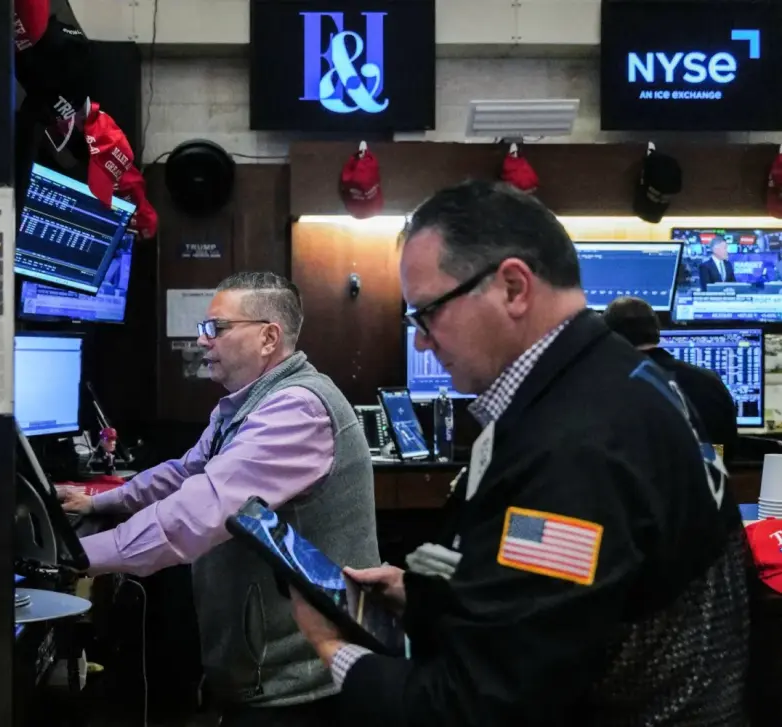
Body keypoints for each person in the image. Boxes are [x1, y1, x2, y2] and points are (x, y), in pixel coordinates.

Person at [290, 181, 749, 725]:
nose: (421, 342)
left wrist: (333, 650)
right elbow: (574, 602)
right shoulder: (624, 377)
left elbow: (480, 704)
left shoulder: (574, 446)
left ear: (513, 287)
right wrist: (426, 596)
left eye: (427, 314)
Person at [60, 272, 380, 725]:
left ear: (268, 337)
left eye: (217, 328)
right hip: (269, 672)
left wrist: (74, 556)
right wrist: (100, 504)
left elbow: (197, 512)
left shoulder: (298, 409)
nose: (201, 339)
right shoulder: (247, 404)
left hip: (301, 686)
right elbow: (185, 473)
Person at [603, 296, 738, 463]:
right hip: (704, 477)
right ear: (657, 331)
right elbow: (726, 449)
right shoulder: (709, 381)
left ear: (611, 338)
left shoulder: (605, 386)